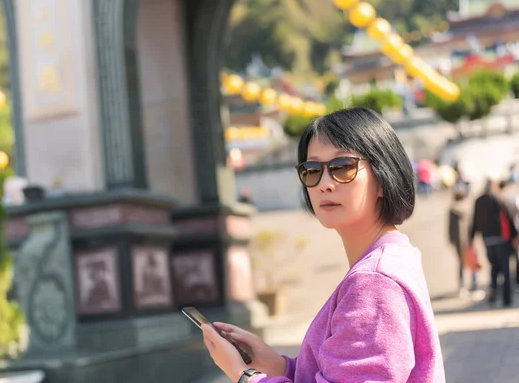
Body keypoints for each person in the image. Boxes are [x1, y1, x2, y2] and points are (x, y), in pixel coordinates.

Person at [201, 107, 445, 383]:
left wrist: (244, 375)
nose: (324, 184)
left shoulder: (374, 281)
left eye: (342, 167)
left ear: (382, 177)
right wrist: (280, 367)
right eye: (312, 170)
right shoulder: (394, 257)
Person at [469, 177, 518, 307]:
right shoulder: (501, 199)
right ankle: (507, 299)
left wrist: (471, 239)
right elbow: (510, 217)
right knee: (505, 269)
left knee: (494, 267)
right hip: (502, 239)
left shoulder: (479, 201)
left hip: (487, 239)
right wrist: (515, 236)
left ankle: (493, 291)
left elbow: (474, 221)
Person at [448, 185, 479, 296]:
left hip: (458, 242)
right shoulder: (469, 208)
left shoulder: (452, 209)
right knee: (473, 263)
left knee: (461, 264)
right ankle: (474, 286)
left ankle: (462, 286)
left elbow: (450, 227)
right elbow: (474, 225)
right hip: (469, 240)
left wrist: (451, 240)